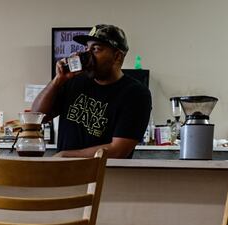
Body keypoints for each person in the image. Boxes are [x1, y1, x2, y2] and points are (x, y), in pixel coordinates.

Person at [32, 24, 152, 158]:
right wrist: (57, 81)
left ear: (117, 56)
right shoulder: (74, 80)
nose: (87, 54)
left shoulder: (136, 94)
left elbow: (118, 150)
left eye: (96, 49)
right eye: (86, 48)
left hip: (106, 171)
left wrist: (65, 156)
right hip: (65, 170)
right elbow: (36, 117)